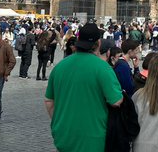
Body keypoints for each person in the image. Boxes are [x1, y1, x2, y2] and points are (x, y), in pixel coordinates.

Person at [44, 23, 123, 151]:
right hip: (93, 139)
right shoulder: (102, 68)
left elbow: (48, 100)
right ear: (98, 42)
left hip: (63, 137)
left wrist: (61, 119)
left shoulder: (59, 66)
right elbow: (116, 101)